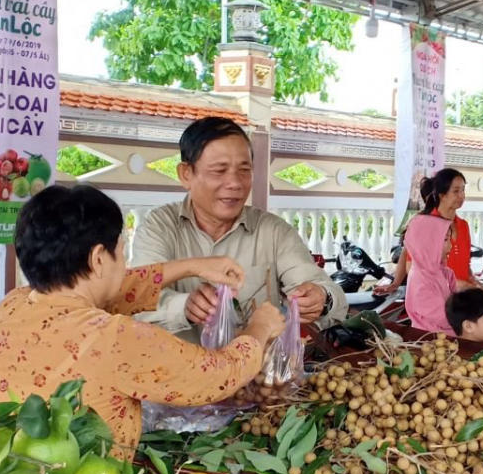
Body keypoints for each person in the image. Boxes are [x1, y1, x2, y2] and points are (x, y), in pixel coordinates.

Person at [0, 184, 284, 459]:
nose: (126, 262)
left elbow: (105, 290)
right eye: (122, 252)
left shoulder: (12, 304)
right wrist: (260, 328)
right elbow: (217, 376)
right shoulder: (113, 338)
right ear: (98, 258)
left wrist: (193, 266)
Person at [129, 116, 345, 340]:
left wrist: (321, 298)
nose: (235, 183)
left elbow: (329, 293)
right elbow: (136, 296)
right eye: (219, 171)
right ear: (186, 174)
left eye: (244, 170)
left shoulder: (273, 231)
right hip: (177, 372)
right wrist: (183, 306)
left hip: (257, 372)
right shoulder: (159, 226)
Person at [376, 168, 475, 294]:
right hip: (435, 298)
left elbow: (464, 263)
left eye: (463, 190)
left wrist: (472, 280)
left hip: (462, 301)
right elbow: (411, 265)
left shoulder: (463, 226)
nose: (462, 196)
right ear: (442, 195)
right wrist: (396, 283)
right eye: (456, 191)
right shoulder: (423, 225)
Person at [402, 214, 460, 333]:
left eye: (449, 239)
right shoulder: (421, 279)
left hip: (447, 336)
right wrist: (468, 318)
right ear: (427, 244)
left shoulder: (439, 271)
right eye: (445, 240)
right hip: (431, 340)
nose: (450, 245)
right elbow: (443, 317)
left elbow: (456, 298)